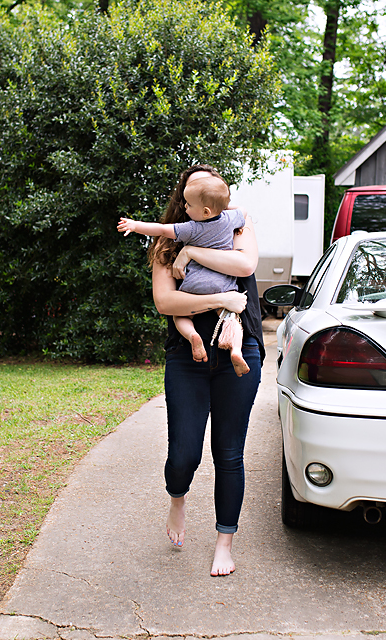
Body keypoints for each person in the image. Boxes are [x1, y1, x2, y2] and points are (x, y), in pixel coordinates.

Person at [144, 164, 265, 576]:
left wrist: (193, 254)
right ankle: (177, 498)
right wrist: (221, 302)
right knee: (183, 453)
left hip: (239, 349)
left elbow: (245, 267)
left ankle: (224, 543)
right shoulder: (165, 244)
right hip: (187, 356)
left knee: (228, 453)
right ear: (186, 199)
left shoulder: (237, 223)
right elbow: (166, 303)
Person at [117, 174, 250, 375]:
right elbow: (244, 211)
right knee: (231, 319)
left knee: (180, 315)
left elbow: (161, 229)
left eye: (188, 204)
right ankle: (237, 350)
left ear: (205, 211)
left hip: (194, 284)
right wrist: (222, 207)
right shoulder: (230, 220)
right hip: (223, 284)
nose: (185, 207)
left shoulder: (191, 228)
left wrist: (135, 226)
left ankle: (192, 336)